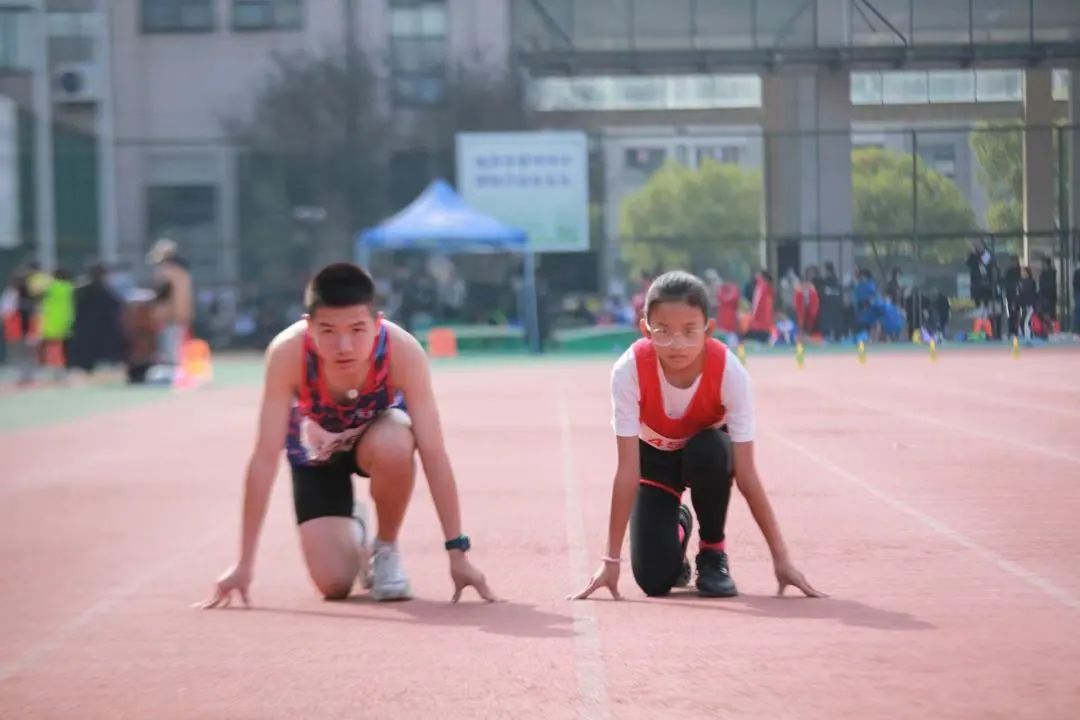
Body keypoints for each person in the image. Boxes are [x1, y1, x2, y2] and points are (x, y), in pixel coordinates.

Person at [200, 263, 496, 607]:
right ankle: (353, 527)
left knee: (396, 441)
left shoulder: (403, 352)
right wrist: (243, 564)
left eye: (357, 329)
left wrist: (456, 553)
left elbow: (433, 451)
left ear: (377, 323)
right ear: (308, 326)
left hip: (377, 439)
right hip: (317, 454)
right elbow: (265, 455)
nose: (344, 345)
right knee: (335, 584)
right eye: (327, 330)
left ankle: (385, 548)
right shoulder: (287, 354)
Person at [570, 271, 824, 601]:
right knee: (654, 582)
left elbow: (746, 475)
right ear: (645, 329)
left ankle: (712, 553)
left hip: (707, 458)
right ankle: (677, 526)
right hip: (655, 462)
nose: (677, 344)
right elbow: (627, 472)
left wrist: (782, 559)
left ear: (709, 330)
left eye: (690, 331)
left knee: (711, 449)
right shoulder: (628, 371)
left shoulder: (730, 372)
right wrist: (610, 561)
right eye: (663, 331)